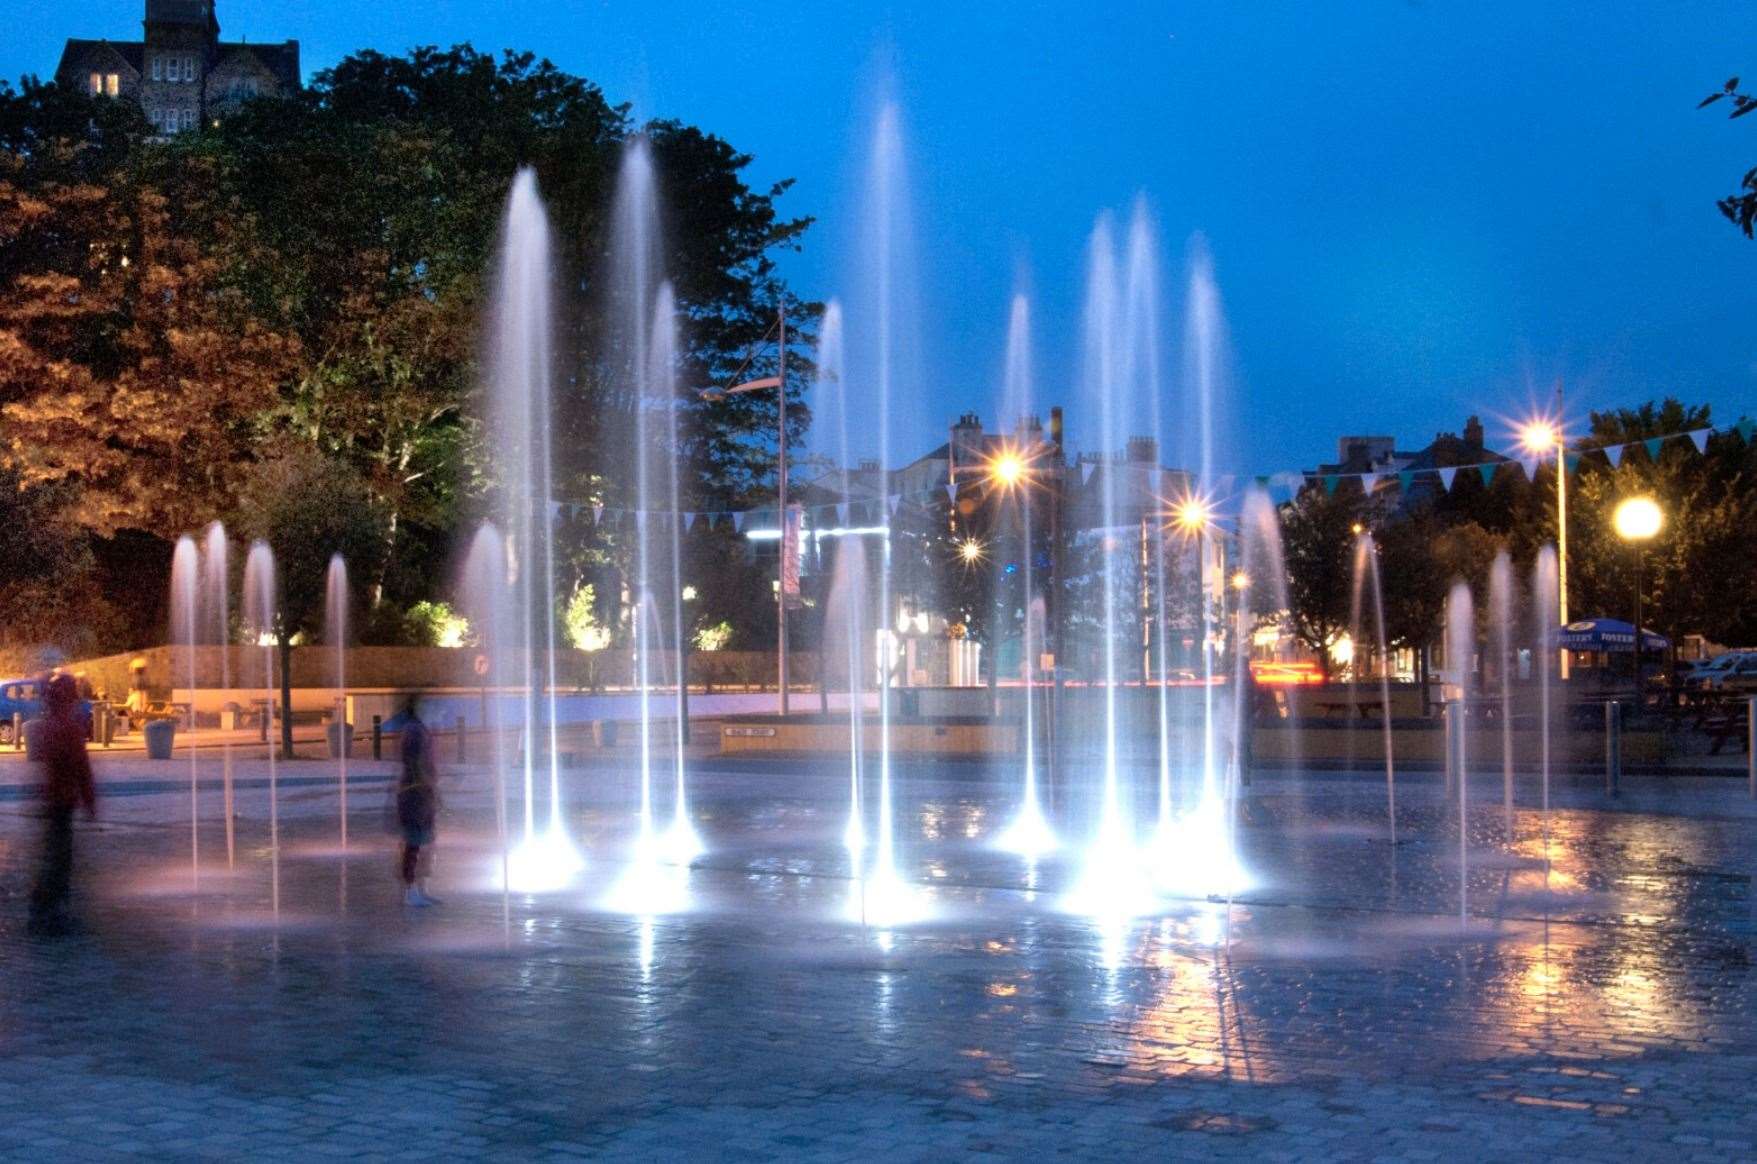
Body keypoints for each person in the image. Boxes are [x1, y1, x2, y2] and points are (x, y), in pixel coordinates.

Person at [29, 673, 97, 935]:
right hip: (63, 802)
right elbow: (82, 769)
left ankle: (43, 909)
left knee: (52, 854)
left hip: (52, 801)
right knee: (59, 858)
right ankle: (50, 913)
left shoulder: (48, 727)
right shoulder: (69, 728)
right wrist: (89, 802)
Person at [394, 698, 442, 907]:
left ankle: (421, 889)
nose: (439, 715)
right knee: (414, 843)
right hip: (415, 794)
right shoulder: (414, 731)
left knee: (426, 842)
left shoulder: (421, 730)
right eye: (435, 710)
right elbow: (414, 764)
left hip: (422, 793)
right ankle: (411, 891)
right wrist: (427, 786)